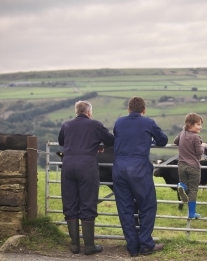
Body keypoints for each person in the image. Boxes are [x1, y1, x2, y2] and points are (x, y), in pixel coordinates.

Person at [112, 96, 168, 257]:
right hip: (139, 169)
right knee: (148, 206)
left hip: (119, 169)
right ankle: (145, 244)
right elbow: (163, 140)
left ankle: (132, 247)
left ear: (129, 109)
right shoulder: (148, 122)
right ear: (144, 110)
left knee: (125, 208)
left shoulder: (119, 122)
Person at [58, 100, 114, 255]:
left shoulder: (66, 125)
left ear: (77, 112)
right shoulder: (95, 124)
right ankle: (89, 246)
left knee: (70, 203)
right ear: (89, 112)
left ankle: (75, 246)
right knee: (87, 202)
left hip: (68, 165)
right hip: (87, 166)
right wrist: (97, 144)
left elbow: (61, 141)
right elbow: (110, 140)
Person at [173, 113, 207, 219]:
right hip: (193, 167)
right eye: (198, 124)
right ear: (190, 124)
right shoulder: (196, 138)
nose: (200, 127)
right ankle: (192, 213)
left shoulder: (182, 133)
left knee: (185, 185)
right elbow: (199, 152)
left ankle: (181, 186)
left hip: (182, 166)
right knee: (193, 190)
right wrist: (203, 145)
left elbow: (175, 141)